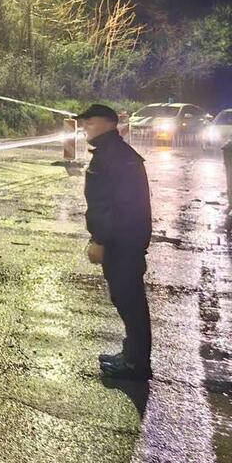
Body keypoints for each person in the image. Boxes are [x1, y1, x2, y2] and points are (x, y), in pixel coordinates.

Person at [75, 103, 153, 380]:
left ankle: (135, 364)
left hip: (122, 242)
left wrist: (99, 240)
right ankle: (132, 355)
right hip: (128, 240)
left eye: (91, 122)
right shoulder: (117, 153)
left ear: (109, 123)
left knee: (129, 301)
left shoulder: (112, 157)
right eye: (84, 123)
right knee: (128, 299)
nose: (85, 127)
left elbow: (110, 205)